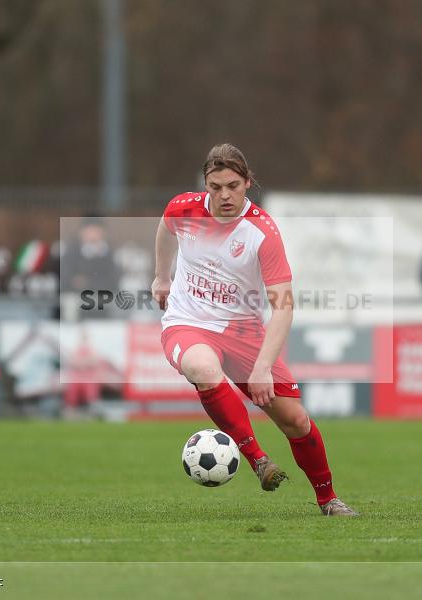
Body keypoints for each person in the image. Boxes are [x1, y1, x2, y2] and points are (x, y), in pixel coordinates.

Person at [151, 143, 357, 517]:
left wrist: (262, 367)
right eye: (215, 187)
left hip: (243, 331)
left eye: (232, 186)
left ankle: (329, 500)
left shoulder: (262, 232)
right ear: (205, 185)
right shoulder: (184, 208)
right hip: (187, 323)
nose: (224, 195)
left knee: (295, 420)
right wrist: (161, 277)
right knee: (201, 367)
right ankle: (258, 459)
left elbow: (284, 307)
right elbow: (166, 228)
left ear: (248, 182)